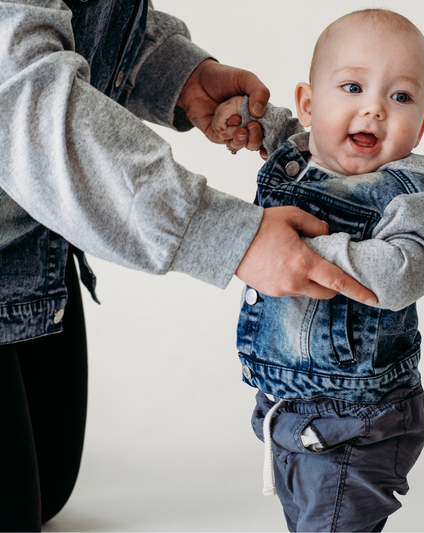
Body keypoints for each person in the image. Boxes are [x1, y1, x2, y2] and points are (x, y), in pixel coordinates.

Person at [0, 1, 377, 531]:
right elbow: (25, 108)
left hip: (25, 245)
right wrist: (227, 235)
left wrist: (179, 75)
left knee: (47, 491)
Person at [213, 8, 424, 532]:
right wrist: (253, 120)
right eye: (353, 87)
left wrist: (309, 252)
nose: (374, 109)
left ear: (421, 126)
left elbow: (404, 271)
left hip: (361, 420)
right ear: (310, 104)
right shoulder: (304, 154)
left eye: (400, 97)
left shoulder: (411, 194)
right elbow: (294, 137)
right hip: (285, 403)